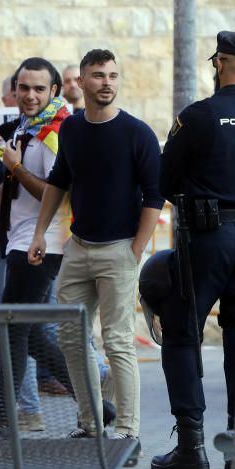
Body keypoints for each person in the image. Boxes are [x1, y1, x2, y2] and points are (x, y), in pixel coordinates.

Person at [152, 31, 235, 469]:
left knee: (182, 332)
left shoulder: (199, 116)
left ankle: (191, 449)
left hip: (207, 238)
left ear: (218, 63)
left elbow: (164, 179)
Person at [29, 49, 162, 446]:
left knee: (118, 340)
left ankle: (127, 429)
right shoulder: (70, 130)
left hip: (119, 250)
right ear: (81, 82)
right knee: (71, 337)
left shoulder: (137, 133)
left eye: (113, 75)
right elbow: (58, 181)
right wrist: (40, 234)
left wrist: (136, 249)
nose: (107, 82)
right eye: (99, 75)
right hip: (78, 248)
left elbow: (155, 196)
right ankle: (90, 423)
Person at [0, 57, 86, 439]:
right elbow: (9, 189)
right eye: (24, 88)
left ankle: (4, 418)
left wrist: (17, 168)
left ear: (54, 91)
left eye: (39, 88)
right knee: (33, 333)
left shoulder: (56, 132)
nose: (29, 95)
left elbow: (57, 194)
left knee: (14, 328)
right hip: (21, 239)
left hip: (42, 244)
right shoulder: (28, 127)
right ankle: (97, 407)